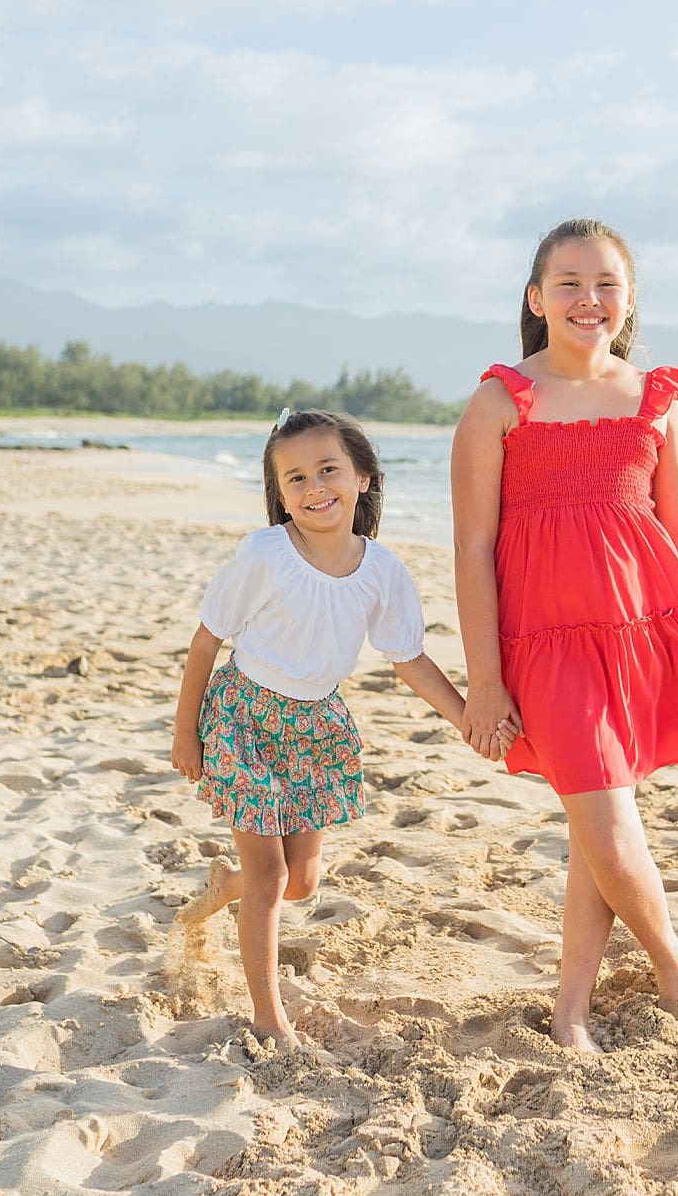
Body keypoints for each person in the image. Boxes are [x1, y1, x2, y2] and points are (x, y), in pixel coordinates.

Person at [451, 217, 678, 1052]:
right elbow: (471, 547)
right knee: (608, 820)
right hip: (543, 644)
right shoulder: (500, 401)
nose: (587, 298)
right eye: (568, 282)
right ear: (536, 298)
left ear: (630, 298)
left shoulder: (657, 401)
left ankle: (571, 1005)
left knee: (594, 825)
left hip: (639, 634)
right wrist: (486, 678)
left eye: (606, 282)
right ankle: (672, 963)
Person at [171, 406, 496, 1050]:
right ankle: (269, 1019)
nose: (314, 487)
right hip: (245, 716)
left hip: (318, 726)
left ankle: (221, 888)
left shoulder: (382, 571)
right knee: (269, 879)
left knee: (300, 883)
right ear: (280, 494)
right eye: (295, 479)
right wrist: (188, 734)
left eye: (328, 470)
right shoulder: (265, 553)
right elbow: (206, 641)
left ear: (363, 479)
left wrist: (465, 719)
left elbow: (407, 658)